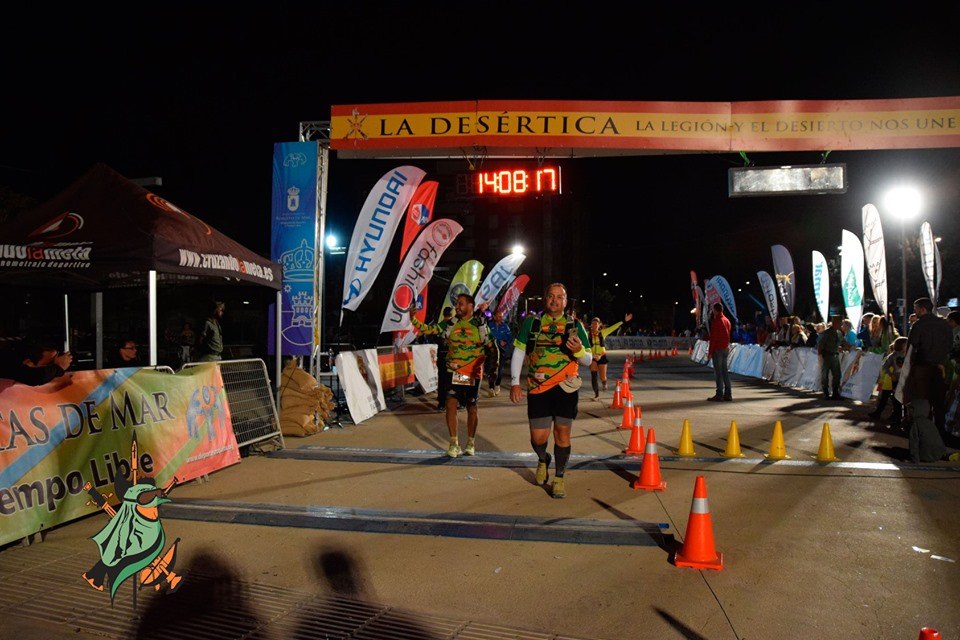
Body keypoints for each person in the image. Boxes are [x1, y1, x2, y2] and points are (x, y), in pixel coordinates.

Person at [510, 283, 592, 499]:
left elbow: (588, 359)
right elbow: (519, 352)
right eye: (551, 296)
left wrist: (579, 350)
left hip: (566, 387)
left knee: (562, 434)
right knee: (538, 438)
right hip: (538, 388)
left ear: (565, 301)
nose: (555, 300)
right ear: (545, 299)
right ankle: (542, 458)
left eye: (559, 297)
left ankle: (559, 478)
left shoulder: (575, 325)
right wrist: (515, 382)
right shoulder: (532, 323)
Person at [412, 293, 498, 458]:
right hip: (454, 372)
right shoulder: (450, 323)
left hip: (472, 373)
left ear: (471, 306)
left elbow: (493, 348)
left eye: (461, 304)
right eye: (456, 304)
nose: (457, 307)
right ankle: (453, 443)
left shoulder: (480, 325)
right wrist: (413, 319)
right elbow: (429, 329)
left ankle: (471, 442)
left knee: (471, 406)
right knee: (451, 403)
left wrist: (493, 369)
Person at [902, 298, 953, 460]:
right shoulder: (944, 325)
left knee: (920, 408)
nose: (915, 311)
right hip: (939, 369)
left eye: (916, 308)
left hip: (921, 370)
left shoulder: (918, 325)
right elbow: (950, 346)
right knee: (938, 407)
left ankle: (923, 445)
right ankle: (940, 439)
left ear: (923, 309)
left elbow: (911, 348)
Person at [587, 313, 632, 400]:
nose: (594, 325)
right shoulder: (587, 334)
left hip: (602, 356)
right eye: (593, 323)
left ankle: (604, 382)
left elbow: (614, 327)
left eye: (596, 324)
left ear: (599, 325)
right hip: (593, 357)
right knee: (593, 376)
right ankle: (596, 394)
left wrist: (624, 321)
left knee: (602, 377)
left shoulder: (603, 332)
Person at [868, 336, 907, 428]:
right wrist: (891, 374)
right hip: (893, 380)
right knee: (893, 399)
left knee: (900, 400)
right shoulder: (893, 356)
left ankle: (900, 418)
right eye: (906, 344)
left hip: (903, 380)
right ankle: (896, 418)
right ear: (901, 346)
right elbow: (885, 366)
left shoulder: (907, 356)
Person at [706, 302, 732, 401]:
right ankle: (728, 394)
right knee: (725, 371)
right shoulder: (726, 320)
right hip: (725, 348)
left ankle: (719, 393)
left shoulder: (716, 321)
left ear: (715, 310)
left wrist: (710, 352)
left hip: (718, 349)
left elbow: (714, 338)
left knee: (718, 372)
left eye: (713, 310)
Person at [818, 315, 846, 401]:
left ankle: (835, 393)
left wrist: (849, 347)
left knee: (837, 375)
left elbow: (843, 342)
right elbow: (821, 344)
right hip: (827, 355)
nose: (841, 324)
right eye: (840, 322)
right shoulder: (827, 332)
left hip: (835, 355)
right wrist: (820, 355)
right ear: (835, 322)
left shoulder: (839, 333)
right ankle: (826, 392)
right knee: (825, 375)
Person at [486, 310, 512, 397]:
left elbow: (510, 337)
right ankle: (491, 388)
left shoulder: (505, 326)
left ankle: (497, 384)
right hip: (492, 351)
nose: (501, 318)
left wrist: (505, 341)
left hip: (502, 351)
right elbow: (486, 336)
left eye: (502, 316)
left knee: (500, 369)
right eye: (499, 316)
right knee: (491, 369)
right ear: (494, 317)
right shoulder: (489, 326)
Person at [434, 307, 455, 410]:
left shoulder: (441, 326)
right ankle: (445, 402)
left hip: (446, 357)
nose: (449, 318)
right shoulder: (448, 326)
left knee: (445, 380)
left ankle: (444, 402)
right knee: (447, 380)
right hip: (447, 357)